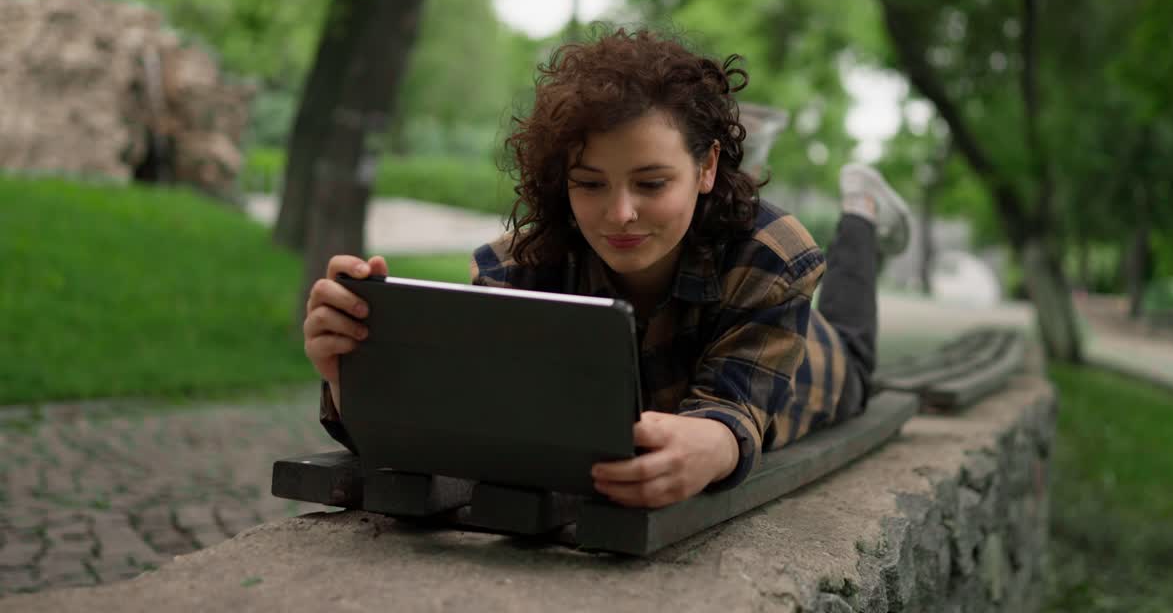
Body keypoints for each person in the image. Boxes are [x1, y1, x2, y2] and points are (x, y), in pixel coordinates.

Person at [302, 29, 911, 509]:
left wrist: (718, 443)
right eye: (589, 183)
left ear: (707, 168)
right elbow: (467, 429)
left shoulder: (773, 256)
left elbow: (733, 412)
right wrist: (353, 379)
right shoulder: (516, 272)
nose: (620, 214)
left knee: (857, 349)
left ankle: (860, 209)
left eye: (651, 182)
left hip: (812, 372)